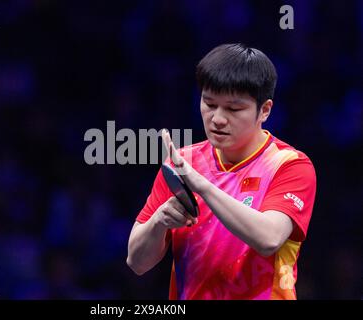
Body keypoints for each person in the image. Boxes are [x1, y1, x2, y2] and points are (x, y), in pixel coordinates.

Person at [126, 43, 317, 300]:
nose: (217, 118)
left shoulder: (289, 164)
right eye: (209, 103)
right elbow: (137, 263)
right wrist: (160, 220)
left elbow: (269, 238)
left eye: (233, 109)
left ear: (265, 110)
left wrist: (202, 186)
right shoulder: (181, 163)